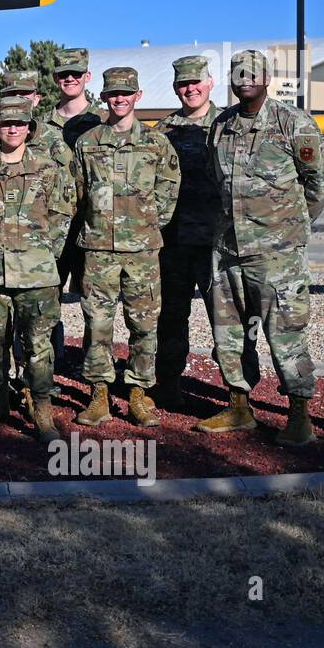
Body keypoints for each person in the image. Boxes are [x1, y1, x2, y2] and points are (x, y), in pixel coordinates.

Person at [198, 50, 324, 445]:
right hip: (227, 249)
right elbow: (215, 177)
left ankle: (299, 414)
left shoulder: (293, 122)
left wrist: (291, 225)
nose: (244, 79)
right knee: (228, 333)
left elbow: (321, 182)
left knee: (286, 333)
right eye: (237, 73)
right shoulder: (221, 125)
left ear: (267, 77)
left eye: (252, 73)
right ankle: (239, 406)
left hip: (277, 253)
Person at [72, 67, 181, 428]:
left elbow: (168, 189)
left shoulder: (156, 144)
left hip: (142, 251)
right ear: (103, 97)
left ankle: (137, 392)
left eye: (126, 93)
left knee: (144, 324)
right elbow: (78, 191)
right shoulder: (87, 142)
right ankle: (99, 393)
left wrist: (148, 223)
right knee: (97, 324)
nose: (119, 99)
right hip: (98, 248)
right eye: (113, 94)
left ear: (138, 96)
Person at [0, 104, 74, 444]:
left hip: (37, 273)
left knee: (39, 346)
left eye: (19, 124)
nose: (12, 129)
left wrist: (42, 255)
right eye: (6, 123)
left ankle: (41, 409)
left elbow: (62, 215)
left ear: (29, 128)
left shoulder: (48, 169)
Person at [154, 55, 221, 409]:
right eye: (183, 84)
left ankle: (238, 394)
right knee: (170, 317)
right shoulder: (164, 130)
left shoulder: (227, 125)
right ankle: (168, 384)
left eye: (196, 82)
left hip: (216, 242)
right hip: (175, 242)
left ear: (210, 82)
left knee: (226, 321)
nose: (190, 89)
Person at [43, 48, 104, 361]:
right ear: (56, 79)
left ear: (87, 77)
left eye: (76, 74)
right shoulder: (41, 126)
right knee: (46, 299)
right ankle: (47, 366)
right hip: (52, 227)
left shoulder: (103, 123)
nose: (70, 79)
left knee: (94, 303)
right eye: (64, 74)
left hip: (91, 225)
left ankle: (94, 372)